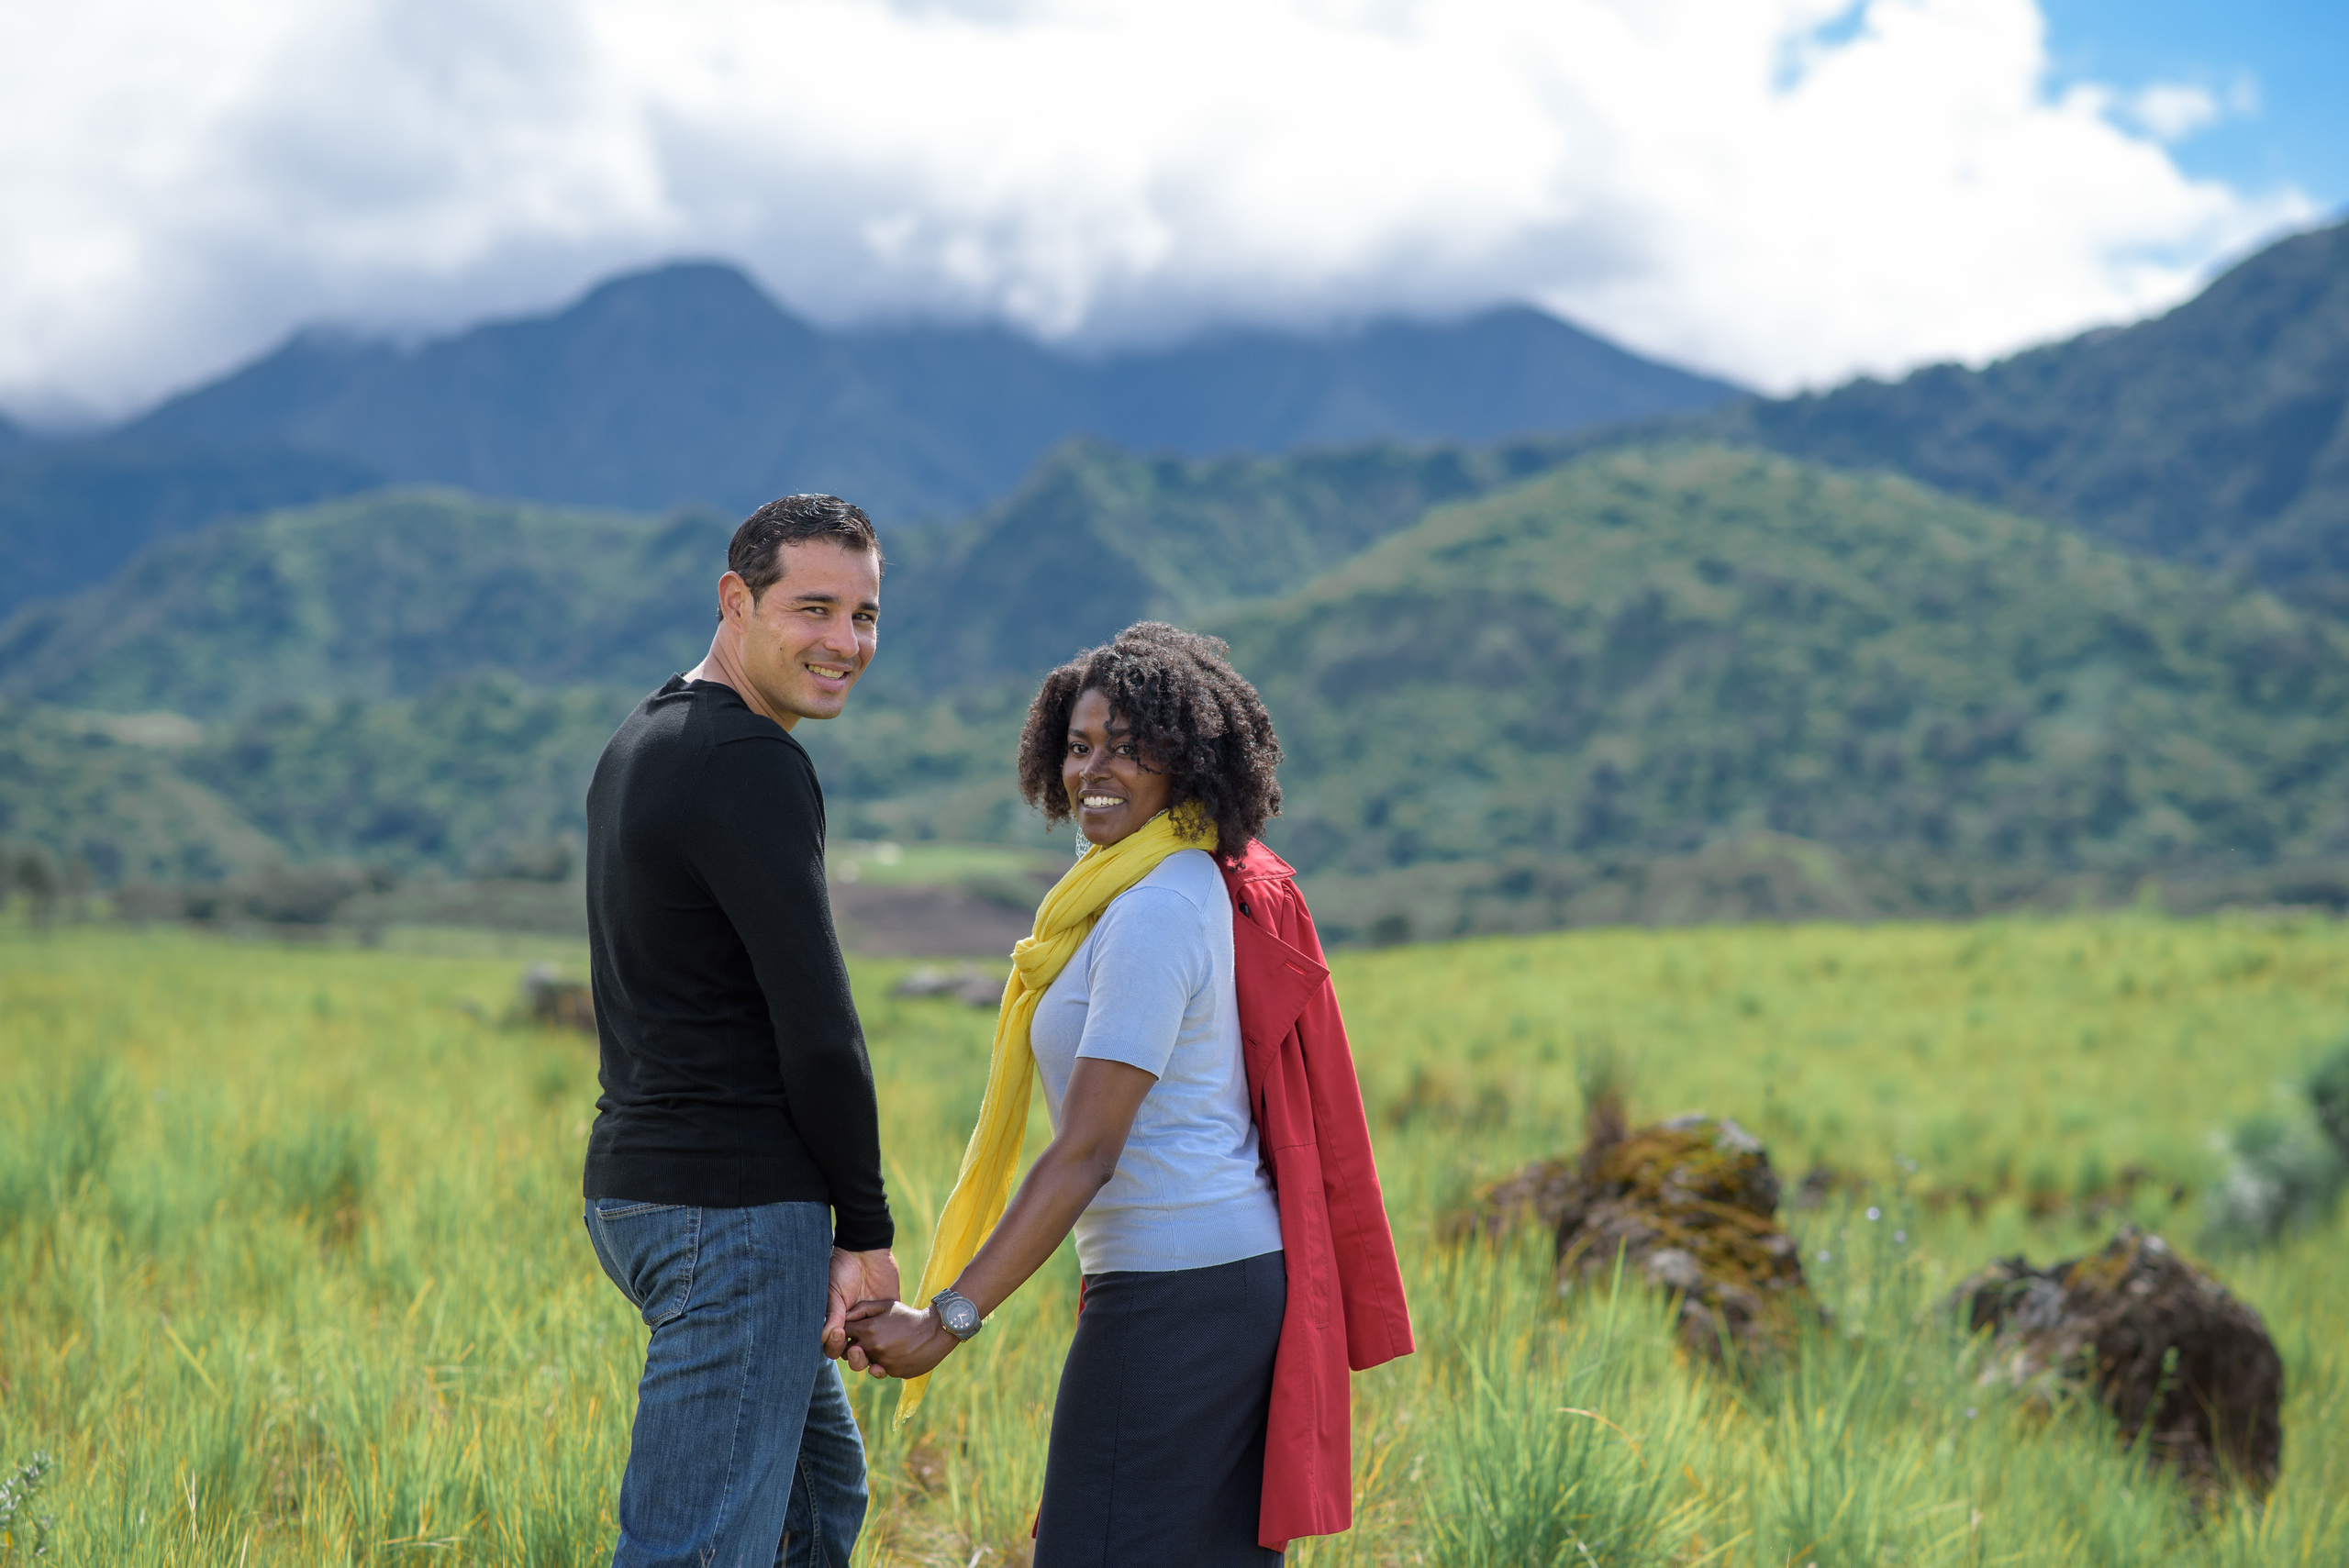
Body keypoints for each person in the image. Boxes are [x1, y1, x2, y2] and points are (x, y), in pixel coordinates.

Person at [846, 622, 1413, 1565]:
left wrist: (945, 1320)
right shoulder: (1134, 889)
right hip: (1201, 1283)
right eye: (1078, 747)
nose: (1094, 771)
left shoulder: (1155, 908)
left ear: (1188, 760)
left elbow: (1087, 1152)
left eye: (1129, 746)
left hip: (1179, 1295)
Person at [581, 494, 898, 1568]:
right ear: (736, 599)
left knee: (818, 1500)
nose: (844, 641)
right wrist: (864, 1228)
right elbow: (820, 1030)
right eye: (813, 608)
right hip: (730, 1209)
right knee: (695, 1548)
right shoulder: (749, 759)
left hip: (642, 1189)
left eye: (864, 614)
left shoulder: (646, 737)